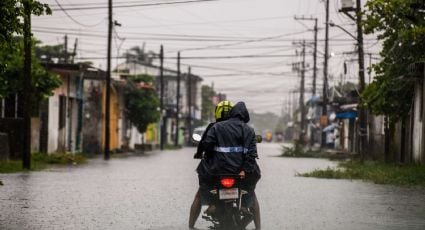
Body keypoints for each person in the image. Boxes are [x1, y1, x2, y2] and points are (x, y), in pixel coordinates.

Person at [192, 101, 261, 229]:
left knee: (201, 191)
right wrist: (244, 170)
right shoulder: (249, 130)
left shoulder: (216, 127)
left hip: (217, 172)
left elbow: (206, 145)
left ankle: (194, 223)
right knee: (251, 191)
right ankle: (253, 218)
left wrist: (205, 154)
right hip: (241, 174)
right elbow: (251, 154)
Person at [189, 100, 234, 229]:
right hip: (237, 169)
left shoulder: (213, 127)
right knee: (250, 194)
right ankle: (257, 224)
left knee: (200, 194)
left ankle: (191, 226)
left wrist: (199, 154)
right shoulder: (240, 127)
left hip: (215, 170)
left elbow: (204, 144)